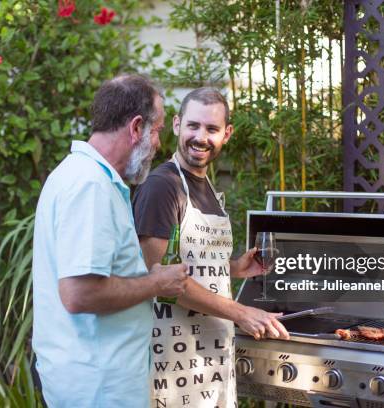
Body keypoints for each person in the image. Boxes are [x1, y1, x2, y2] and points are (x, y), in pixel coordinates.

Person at [32, 74, 188, 408]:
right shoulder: (89, 186)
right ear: (136, 128)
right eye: (158, 130)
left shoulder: (87, 177)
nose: (159, 145)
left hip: (97, 380)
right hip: (97, 387)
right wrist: (156, 282)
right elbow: (79, 293)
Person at [132, 87, 289, 408]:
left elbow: (191, 263)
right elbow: (153, 277)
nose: (200, 137)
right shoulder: (163, 186)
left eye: (211, 129)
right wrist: (242, 312)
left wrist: (233, 267)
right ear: (176, 125)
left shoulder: (206, 186)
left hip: (211, 354)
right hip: (173, 360)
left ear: (226, 134)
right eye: (193, 126)